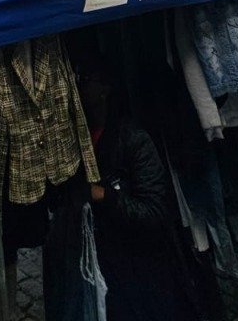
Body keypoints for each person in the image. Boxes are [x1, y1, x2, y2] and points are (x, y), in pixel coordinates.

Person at [79, 61, 194, 321]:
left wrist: (104, 196)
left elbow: (154, 211)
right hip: (103, 266)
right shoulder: (80, 139)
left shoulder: (132, 138)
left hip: (138, 267)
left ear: (105, 89)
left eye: (85, 79)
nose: (78, 86)